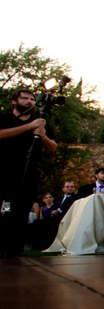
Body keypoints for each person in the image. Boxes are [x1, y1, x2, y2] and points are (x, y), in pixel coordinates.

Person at [0, 88, 57, 256]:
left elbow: (53, 147)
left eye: (32, 99)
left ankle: (16, 249)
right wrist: (29, 127)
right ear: (14, 101)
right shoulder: (6, 119)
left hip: (29, 173)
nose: (29, 102)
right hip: (5, 171)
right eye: (24, 98)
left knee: (22, 212)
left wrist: (43, 136)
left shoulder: (40, 122)